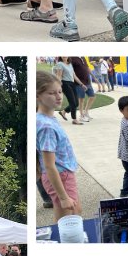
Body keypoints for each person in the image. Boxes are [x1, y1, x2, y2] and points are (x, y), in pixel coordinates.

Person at [36, 70, 80, 219]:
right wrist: (62, 197)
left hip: (64, 173)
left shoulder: (48, 118)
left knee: (75, 210)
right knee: (69, 217)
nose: (59, 96)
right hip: (60, 175)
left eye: (60, 92)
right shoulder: (46, 126)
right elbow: (49, 165)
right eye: (52, 93)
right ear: (37, 95)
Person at [55, 56, 82, 125]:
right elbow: (59, 76)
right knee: (73, 102)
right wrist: (58, 86)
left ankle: (63, 112)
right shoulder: (60, 64)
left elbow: (74, 76)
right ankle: (74, 119)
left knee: (76, 103)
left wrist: (82, 84)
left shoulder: (70, 64)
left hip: (72, 84)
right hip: (65, 84)